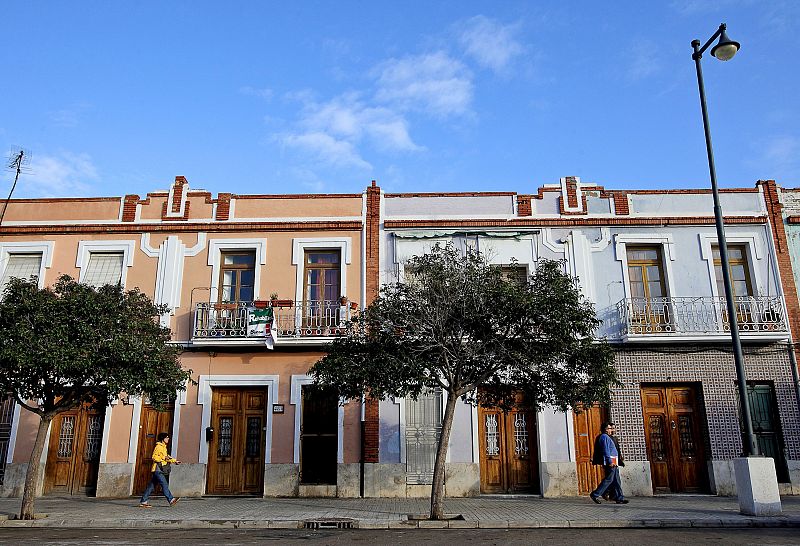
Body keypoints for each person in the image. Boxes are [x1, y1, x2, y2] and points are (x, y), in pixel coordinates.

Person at [590, 421, 629, 504]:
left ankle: (619, 498)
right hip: (611, 462)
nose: (611, 430)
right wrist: (609, 461)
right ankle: (595, 494)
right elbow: (606, 450)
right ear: (606, 429)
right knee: (609, 479)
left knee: (616, 480)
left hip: (614, 461)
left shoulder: (608, 437)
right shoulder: (604, 437)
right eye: (610, 428)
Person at [139, 432, 181, 508]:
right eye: (166, 437)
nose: (168, 439)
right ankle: (171, 500)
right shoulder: (158, 447)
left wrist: (175, 461)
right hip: (158, 469)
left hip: (160, 469)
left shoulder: (164, 447)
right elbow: (154, 457)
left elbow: (167, 457)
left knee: (151, 486)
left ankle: (143, 501)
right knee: (164, 484)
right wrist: (163, 458)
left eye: (168, 437)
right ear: (163, 439)